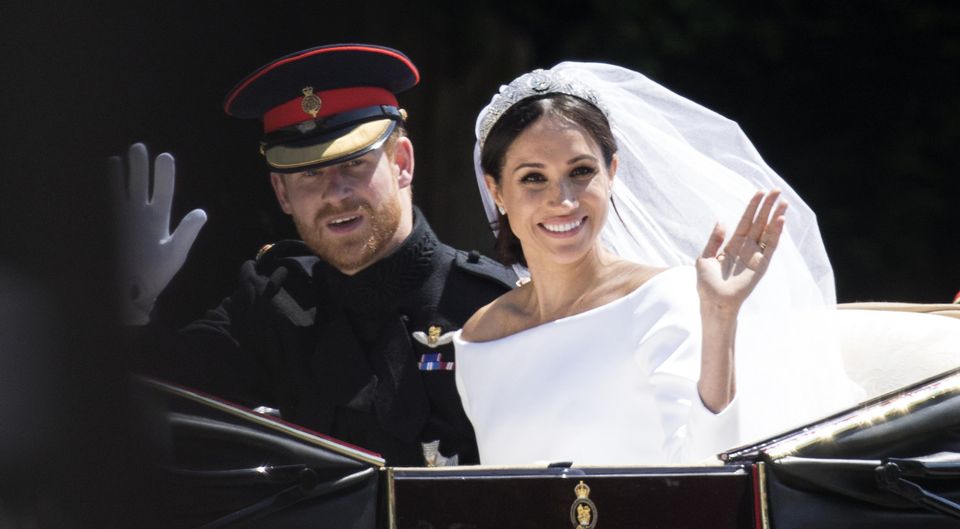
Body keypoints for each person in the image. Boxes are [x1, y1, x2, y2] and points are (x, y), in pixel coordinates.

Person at [115, 44, 516, 467]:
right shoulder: (276, 304)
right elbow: (159, 398)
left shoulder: (490, 304)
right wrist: (128, 306)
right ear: (281, 193)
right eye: (309, 173)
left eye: (355, 164)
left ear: (401, 162)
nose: (335, 193)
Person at [454, 63, 864, 466]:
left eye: (581, 171)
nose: (563, 199)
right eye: (532, 178)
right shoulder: (479, 337)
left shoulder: (663, 299)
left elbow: (709, 467)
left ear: (612, 173)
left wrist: (720, 317)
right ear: (497, 191)